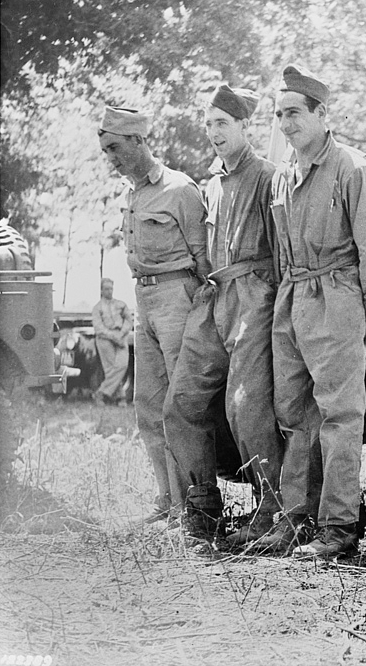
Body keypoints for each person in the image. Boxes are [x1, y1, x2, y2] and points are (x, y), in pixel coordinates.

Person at [257, 64, 366, 557]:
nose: (285, 123)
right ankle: (295, 518)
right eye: (279, 115)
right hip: (293, 299)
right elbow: (278, 249)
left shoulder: (353, 168)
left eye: (294, 113)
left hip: (337, 299)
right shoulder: (283, 178)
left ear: (321, 113)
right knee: (294, 414)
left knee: (339, 415)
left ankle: (339, 529)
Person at [163, 84, 283, 547]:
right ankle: (203, 504)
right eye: (209, 124)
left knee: (246, 407)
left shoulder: (269, 177)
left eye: (222, 123)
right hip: (214, 298)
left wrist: (271, 302)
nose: (214, 132)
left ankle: (272, 510)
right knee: (181, 404)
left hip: (255, 296)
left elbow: (283, 251)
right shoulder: (210, 185)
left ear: (243, 126)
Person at [98, 106, 209, 524]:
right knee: (147, 404)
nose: (111, 157)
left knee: (183, 406)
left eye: (115, 147)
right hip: (144, 303)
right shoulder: (131, 193)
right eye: (106, 150)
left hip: (178, 298)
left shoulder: (179, 189)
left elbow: (205, 259)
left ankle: (197, 506)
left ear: (139, 141)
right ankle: (169, 499)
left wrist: (197, 310)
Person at [91, 278, 133, 405]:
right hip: (105, 339)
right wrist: (112, 336)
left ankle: (100, 393)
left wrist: (121, 334)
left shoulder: (121, 304)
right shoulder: (97, 308)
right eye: (106, 289)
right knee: (110, 369)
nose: (109, 291)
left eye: (111, 288)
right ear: (101, 290)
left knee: (122, 365)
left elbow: (129, 320)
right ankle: (120, 398)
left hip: (121, 335)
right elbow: (98, 327)